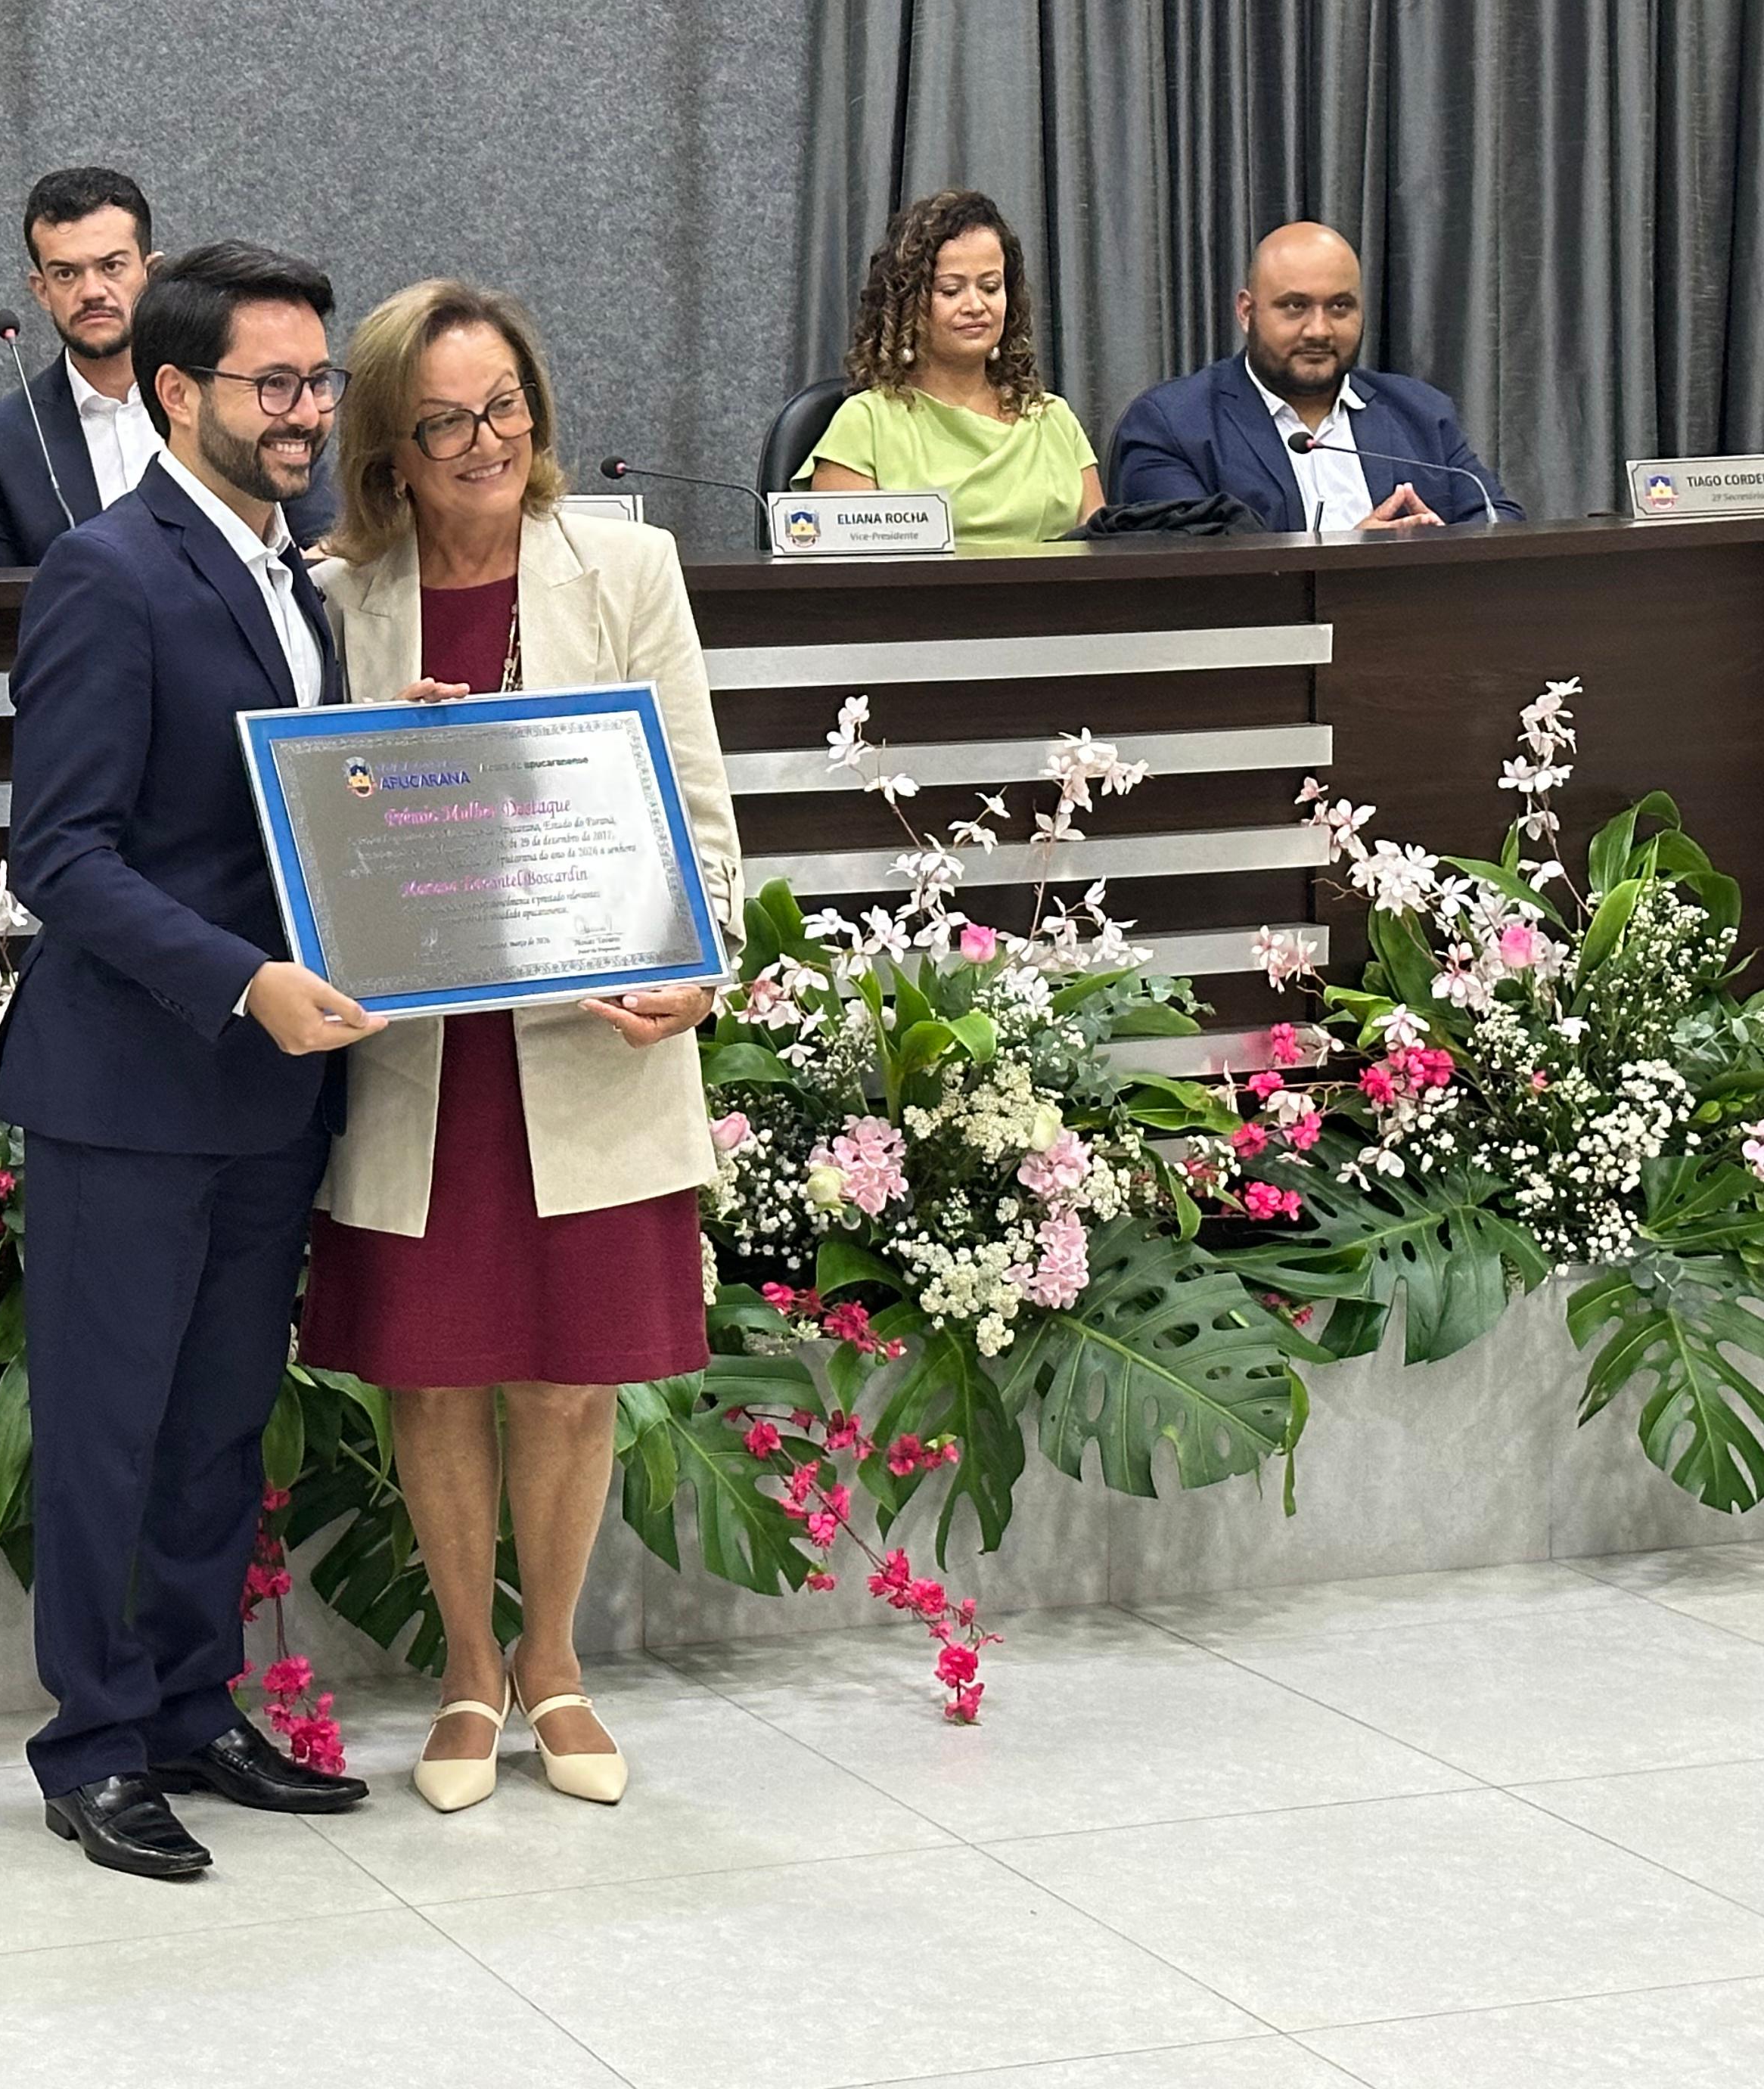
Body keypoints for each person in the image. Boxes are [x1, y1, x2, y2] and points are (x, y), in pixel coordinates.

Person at [303, 281, 742, 1814]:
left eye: (504, 410)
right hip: (423, 1057)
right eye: (444, 422)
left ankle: (554, 1668)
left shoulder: (625, 564)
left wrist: (701, 972)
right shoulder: (336, 592)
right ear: (391, 446)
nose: (484, 444)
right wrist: (386, 776)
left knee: (569, 1381)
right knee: (434, 1377)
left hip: (588, 1040)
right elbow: (298, 825)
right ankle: (466, 1682)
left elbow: (695, 804)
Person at [0, 240, 375, 1878]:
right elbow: (59, 857)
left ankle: (192, 1707)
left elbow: (274, 814)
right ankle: (89, 1745)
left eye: (317, 381)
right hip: (133, 1087)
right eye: (271, 386)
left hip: (268, 1091)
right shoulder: (110, 570)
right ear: (174, 393)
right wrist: (241, 985)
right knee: (108, 1428)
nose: (304, 414)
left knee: (219, 1422)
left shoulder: (306, 577)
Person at [0, 167, 330, 569]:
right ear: (42, 290)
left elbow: (318, 546)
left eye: (111, 267)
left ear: (151, 273)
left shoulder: (229, 396)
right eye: (66, 274)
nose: (92, 291)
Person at [1110, 222, 1523, 532]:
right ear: (1246, 312)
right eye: (1295, 307)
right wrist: (1351, 560)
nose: (1320, 330)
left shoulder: (1421, 412)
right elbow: (1189, 575)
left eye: (1340, 307)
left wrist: (1436, 547)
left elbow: (1498, 520)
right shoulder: (1171, 425)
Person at [801, 188, 1102, 543]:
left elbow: (1099, 556)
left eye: (990, 287)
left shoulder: (1053, 420)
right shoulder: (866, 425)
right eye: (951, 290)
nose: (975, 305)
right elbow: (847, 580)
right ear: (908, 304)